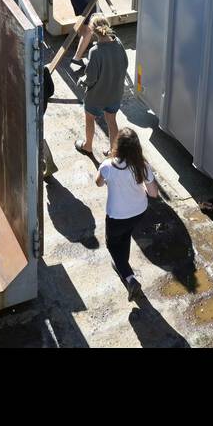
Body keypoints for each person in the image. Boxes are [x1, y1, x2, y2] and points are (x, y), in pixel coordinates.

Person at [95, 127, 159, 300]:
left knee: (111, 244)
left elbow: (98, 183)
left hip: (117, 216)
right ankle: (122, 264)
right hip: (138, 211)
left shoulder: (108, 165)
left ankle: (129, 278)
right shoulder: (143, 166)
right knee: (125, 236)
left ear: (118, 145)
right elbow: (154, 194)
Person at [76, 14, 124, 158]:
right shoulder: (118, 43)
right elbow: (125, 64)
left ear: (92, 30)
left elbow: (91, 77)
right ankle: (113, 152)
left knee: (89, 118)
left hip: (97, 95)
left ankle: (88, 146)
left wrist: (82, 80)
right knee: (111, 121)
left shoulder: (95, 51)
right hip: (115, 93)